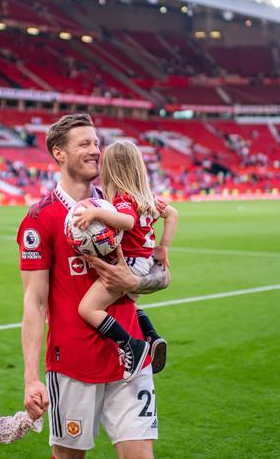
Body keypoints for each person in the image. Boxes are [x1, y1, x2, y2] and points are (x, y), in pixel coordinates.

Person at [18, 113, 170, 458]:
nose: (95, 151)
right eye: (84, 144)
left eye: (97, 143)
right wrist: (31, 377)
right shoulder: (41, 218)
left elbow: (163, 277)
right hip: (73, 363)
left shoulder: (121, 206)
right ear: (59, 153)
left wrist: (136, 281)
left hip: (131, 361)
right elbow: (34, 301)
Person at [72, 140, 178, 383]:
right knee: (129, 305)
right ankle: (151, 336)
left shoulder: (122, 199)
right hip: (143, 261)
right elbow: (173, 214)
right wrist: (163, 247)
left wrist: (96, 213)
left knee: (88, 309)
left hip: (128, 263)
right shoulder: (147, 198)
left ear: (110, 169)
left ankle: (131, 346)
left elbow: (127, 222)